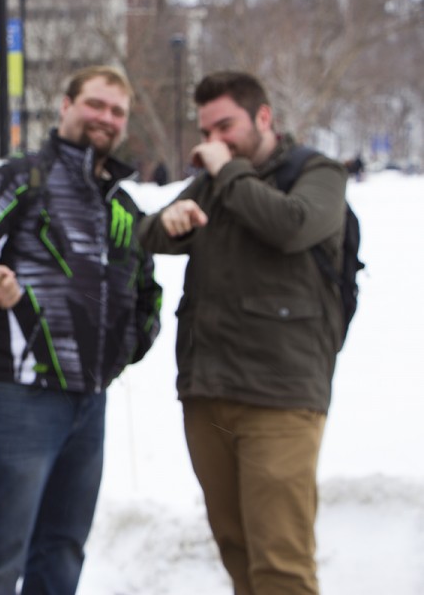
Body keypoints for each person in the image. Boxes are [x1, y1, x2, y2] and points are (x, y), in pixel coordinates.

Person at [0, 65, 162, 595]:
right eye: (96, 104)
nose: (106, 118)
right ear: (65, 106)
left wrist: (127, 347)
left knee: (63, 552)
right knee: (0, 555)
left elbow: (145, 286)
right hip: (19, 396)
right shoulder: (13, 177)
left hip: (91, 401)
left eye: (117, 111)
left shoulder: (121, 205)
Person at [137, 70, 348, 595]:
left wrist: (227, 170)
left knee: (281, 562)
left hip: (281, 396)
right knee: (235, 550)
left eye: (225, 126)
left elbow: (291, 226)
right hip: (208, 392)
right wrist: (172, 219)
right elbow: (147, 233)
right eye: (207, 130)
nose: (214, 141)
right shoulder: (214, 179)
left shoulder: (316, 173)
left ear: (264, 117)